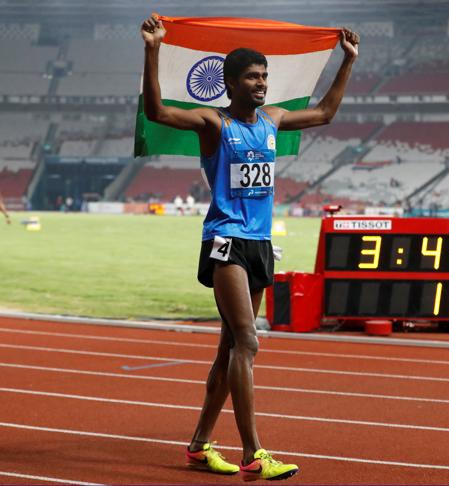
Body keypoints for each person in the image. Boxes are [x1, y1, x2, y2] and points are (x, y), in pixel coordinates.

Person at [141, 15, 359, 481]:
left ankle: (199, 445)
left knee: (228, 349)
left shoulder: (273, 121)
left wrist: (347, 62)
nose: (262, 83)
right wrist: (153, 50)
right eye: (253, 77)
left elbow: (324, 114)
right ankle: (254, 453)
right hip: (225, 242)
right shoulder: (212, 124)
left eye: (264, 76)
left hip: (260, 244)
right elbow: (158, 112)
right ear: (230, 83)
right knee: (248, 340)